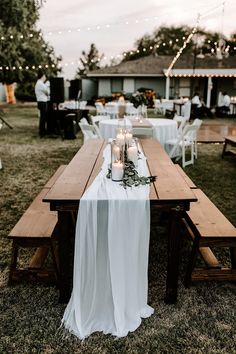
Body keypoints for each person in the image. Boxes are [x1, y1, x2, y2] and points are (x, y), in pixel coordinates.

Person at [35, 70, 49, 137]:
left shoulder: (38, 83)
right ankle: (42, 132)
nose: (45, 78)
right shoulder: (40, 83)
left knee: (42, 117)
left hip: (40, 102)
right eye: (45, 76)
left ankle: (42, 130)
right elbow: (47, 92)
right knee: (43, 117)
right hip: (42, 102)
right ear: (42, 76)